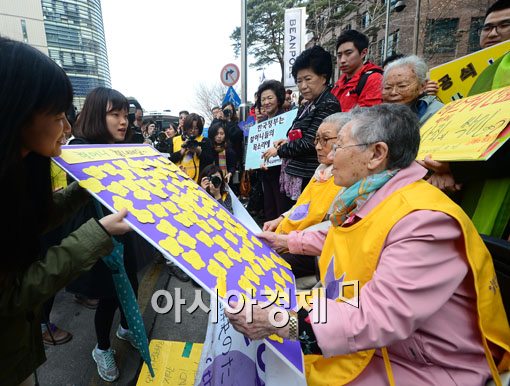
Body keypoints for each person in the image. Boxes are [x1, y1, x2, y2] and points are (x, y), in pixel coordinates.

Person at [227, 104, 510, 385]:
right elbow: (350, 234)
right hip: (378, 345)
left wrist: (279, 321)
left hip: (424, 365)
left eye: (339, 147)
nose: (331, 157)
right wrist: (286, 241)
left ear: (377, 154)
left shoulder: (424, 221)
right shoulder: (375, 195)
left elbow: (382, 316)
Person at [0, 37, 130, 386]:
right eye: (58, 116)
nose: (67, 128)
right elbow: (12, 295)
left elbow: (32, 219)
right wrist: (97, 234)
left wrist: (86, 187)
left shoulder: (21, 168)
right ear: (16, 111)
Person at [66, 87, 138, 382]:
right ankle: (103, 347)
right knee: (109, 295)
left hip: (124, 233)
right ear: (97, 114)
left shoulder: (124, 147)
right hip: (99, 235)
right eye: (115, 114)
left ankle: (126, 327)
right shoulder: (78, 149)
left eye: (126, 115)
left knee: (130, 285)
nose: (124, 122)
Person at [422, 0, 510, 238]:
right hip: (468, 187)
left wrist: (454, 169)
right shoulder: (481, 73)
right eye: (487, 27)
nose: (493, 33)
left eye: (505, 25)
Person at [260, 113, 349, 278]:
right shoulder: (321, 170)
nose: (318, 146)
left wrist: (285, 240)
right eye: (316, 139)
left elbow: (332, 229)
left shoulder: (349, 176)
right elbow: (304, 206)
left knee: (265, 268)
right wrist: (280, 219)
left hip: (315, 248)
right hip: (296, 237)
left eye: (325, 139)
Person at [262, 45, 341, 202]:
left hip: (311, 175)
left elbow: (310, 142)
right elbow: (297, 132)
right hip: (298, 173)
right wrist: (286, 141)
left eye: (308, 79)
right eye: (299, 81)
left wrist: (280, 150)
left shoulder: (328, 104)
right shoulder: (307, 105)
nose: (303, 86)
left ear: (324, 77)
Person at [256, 80, 294, 221]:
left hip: (283, 171)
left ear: (278, 98)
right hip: (266, 171)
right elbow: (257, 149)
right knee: (269, 209)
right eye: (263, 99)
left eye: (270, 98)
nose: (266, 102)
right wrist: (257, 162)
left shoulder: (289, 118)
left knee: (282, 209)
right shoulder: (261, 122)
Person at [382, 55, 444, 125]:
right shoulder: (378, 114)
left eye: (402, 86)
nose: (393, 93)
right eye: (387, 87)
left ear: (422, 86)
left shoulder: (438, 113)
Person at [331, 30, 383, 111]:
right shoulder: (339, 83)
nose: (342, 60)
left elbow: (367, 119)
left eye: (348, 53)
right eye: (339, 55)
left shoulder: (374, 79)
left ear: (363, 53)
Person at [170, 113, 215, 182]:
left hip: (198, 181)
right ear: (186, 127)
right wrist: (181, 151)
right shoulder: (175, 140)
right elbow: (168, 160)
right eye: (190, 128)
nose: (193, 131)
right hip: (177, 180)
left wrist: (199, 152)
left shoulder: (205, 141)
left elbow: (210, 161)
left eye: (196, 128)